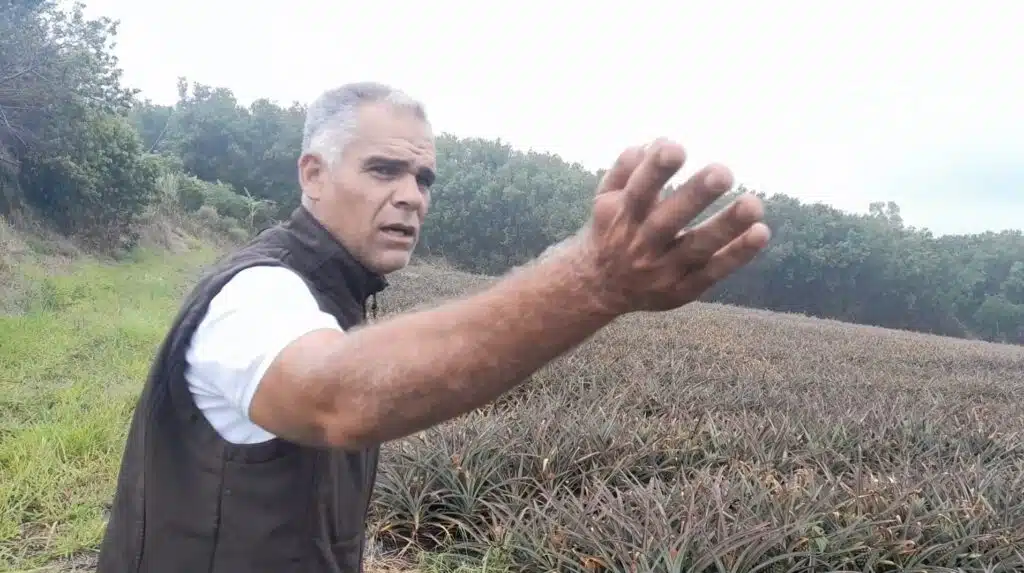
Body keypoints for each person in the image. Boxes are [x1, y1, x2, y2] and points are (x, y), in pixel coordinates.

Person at [96, 81, 771, 573]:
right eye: (384, 169)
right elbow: (339, 397)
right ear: (313, 174)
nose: (412, 195)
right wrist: (592, 282)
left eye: (424, 178)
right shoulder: (257, 293)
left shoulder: (335, 294)